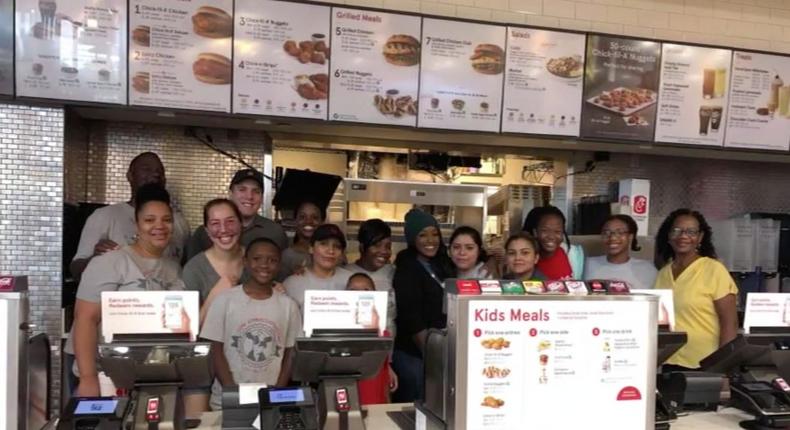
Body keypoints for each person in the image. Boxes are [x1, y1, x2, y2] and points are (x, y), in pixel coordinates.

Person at [68, 184, 187, 398]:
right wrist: (88, 378)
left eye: (166, 220)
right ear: (137, 224)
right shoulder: (109, 262)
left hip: (150, 374)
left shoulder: (173, 268)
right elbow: (85, 318)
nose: (159, 226)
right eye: (149, 220)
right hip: (105, 376)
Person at [201, 238, 301, 410]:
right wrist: (231, 390)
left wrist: (278, 390)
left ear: (279, 265)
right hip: (227, 399)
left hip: (269, 399)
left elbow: (291, 352)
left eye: (272, 260)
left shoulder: (288, 306)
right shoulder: (225, 300)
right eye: (257, 259)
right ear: (245, 262)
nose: (264, 265)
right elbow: (215, 347)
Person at [70, 152, 190, 279]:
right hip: (118, 298)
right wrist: (95, 259)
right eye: (146, 169)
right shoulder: (104, 216)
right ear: (130, 176)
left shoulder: (180, 222)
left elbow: (187, 268)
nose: (156, 174)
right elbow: (76, 270)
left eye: (160, 171)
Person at [654, 209, 738, 370]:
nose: (683, 236)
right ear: (668, 236)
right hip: (669, 362)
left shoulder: (713, 269)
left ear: (700, 237)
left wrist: (721, 367)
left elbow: (730, 324)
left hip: (704, 364)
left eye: (691, 231)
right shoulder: (663, 273)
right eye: (676, 230)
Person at [392, 209, 455, 403]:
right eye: (422, 235)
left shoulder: (442, 263)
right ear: (412, 239)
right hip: (415, 353)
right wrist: (434, 358)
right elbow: (412, 319)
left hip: (439, 347)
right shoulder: (407, 268)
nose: (430, 240)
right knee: (418, 404)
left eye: (434, 234)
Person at [186, 169, 288, 261]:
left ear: (261, 198)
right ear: (231, 193)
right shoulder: (204, 233)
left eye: (256, 191)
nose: (249, 196)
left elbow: (282, 271)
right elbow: (191, 272)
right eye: (242, 189)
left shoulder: (275, 232)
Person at [182, 199, 244, 324]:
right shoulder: (194, 269)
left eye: (230, 221)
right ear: (207, 230)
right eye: (215, 223)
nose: (224, 229)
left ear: (241, 224)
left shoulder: (257, 261)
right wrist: (214, 296)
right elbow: (189, 330)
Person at [346, 273, 398, 405]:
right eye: (353, 290)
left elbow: (383, 367)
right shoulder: (339, 330)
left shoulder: (382, 331)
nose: (359, 294)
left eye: (366, 290)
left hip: (374, 389)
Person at [345, 219, 397, 336]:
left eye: (388, 246)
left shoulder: (394, 273)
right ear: (362, 247)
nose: (384, 251)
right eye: (377, 245)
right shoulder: (345, 273)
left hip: (388, 347)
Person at [283, 223, 351, 311]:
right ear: (311, 248)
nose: (331, 251)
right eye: (323, 244)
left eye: (337, 246)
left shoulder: (351, 280)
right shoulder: (292, 283)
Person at [584, 214, 658, 290]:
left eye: (620, 232)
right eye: (606, 232)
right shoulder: (586, 264)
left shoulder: (647, 269)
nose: (612, 238)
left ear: (630, 237)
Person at [523, 206, 584, 280]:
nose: (551, 236)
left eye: (557, 232)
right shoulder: (525, 258)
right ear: (535, 232)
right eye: (545, 230)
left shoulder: (574, 255)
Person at [280, 200, 325, 279]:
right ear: (295, 221)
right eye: (302, 217)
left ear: (322, 221)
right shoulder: (287, 256)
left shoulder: (332, 253)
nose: (308, 221)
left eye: (314, 217)